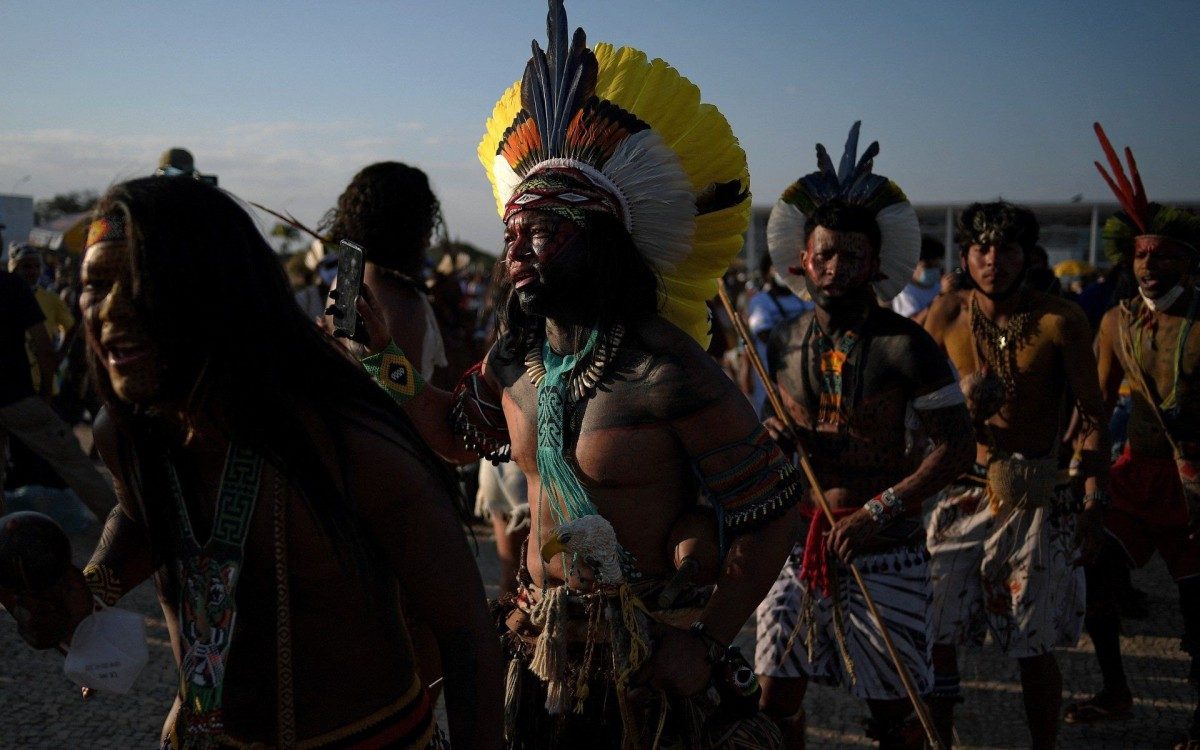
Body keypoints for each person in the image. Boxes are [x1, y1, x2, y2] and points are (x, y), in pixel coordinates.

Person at [349, 3, 796, 746]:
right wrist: (380, 357)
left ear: (600, 243)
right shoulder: (516, 356)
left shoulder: (665, 365)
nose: (519, 249)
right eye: (513, 232)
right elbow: (459, 437)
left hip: (647, 667)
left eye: (546, 231)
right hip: (543, 655)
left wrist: (708, 640)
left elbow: (773, 507)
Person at [0, 177, 501, 748]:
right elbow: (142, 516)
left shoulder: (347, 439)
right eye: (95, 286)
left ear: (219, 291)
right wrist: (91, 587)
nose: (111, 310)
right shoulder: (130, 431)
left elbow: (465, 634)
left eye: (141, 283)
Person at [752, 123, 974, 749]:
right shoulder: (778, 341)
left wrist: (880, 511)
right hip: (800, 543)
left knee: (896, 708)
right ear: (804, 257)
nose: (836, 267)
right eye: (825, 254)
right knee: (774, 700)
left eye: (852, 256)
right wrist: (774, 437)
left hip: (886, 546)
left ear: (876, 264)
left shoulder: (909, 347)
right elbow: (771, 431)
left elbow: (958, 449)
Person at [923, 200, 1110, 749]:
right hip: (960, 493)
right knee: (936, 634)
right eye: (982, 248)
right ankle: (940, 744)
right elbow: (914, 402)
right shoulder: (946, 315)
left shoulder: (1060, 320)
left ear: (1027, 256)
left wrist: (1093, 497)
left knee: (1032, 645)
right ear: (966, 255)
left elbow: (1094, 416)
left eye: (1007, 249)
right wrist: (958, 403)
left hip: (1034, 499)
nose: (993, 260)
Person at [1066, 124, 1200, 750]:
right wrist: (1083, 471)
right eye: (1142, 255)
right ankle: (1117, 689)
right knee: (1093, 570)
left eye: (1163, 255)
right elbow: (1095, 404)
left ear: (1187, 260)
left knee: (1198, 607)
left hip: (1195, 484)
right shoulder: (1119, 321)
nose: (1149, 265)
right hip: (1136, 473)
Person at [0, 261, 114, 520]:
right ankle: (124, 530)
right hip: (19, 398)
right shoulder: (11, 285)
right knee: (73, 462)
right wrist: (46, 393)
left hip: (18, 398)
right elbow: (42, 343)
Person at [323, 161, 449, 384]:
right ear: (410, 226)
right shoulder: (403, 302)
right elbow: (409, 404)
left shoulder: (344, 280)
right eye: (427, 222)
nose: (429, 238)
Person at [742, 253, 812, 416]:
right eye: (776, 268)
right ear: (768, 272)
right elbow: (763, 334)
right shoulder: (760, 301)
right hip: (770, 381)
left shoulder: (806, 299)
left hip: (803, 378)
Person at [10, 243, 76, 395]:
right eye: (26, 266)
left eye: (36, 266)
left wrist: (59, 356)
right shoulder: (6, 296)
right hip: (11, 388)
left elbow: (71, 327)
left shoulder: (50, 299)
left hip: (43, 385)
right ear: (13, 268)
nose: (32, 272)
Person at [890, 236, 947, 324]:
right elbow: (914, 323)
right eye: (928, 267)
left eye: (936, 266)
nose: (933, 270)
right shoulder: (904, 291)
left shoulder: (938, 286)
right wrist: (939, 297)